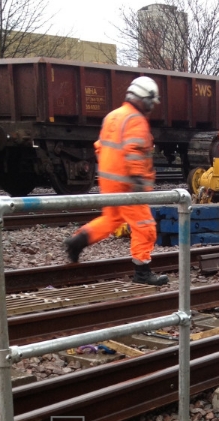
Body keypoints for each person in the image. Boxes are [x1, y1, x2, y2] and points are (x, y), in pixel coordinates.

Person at [64, 76, 167, 285]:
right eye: (151, 102)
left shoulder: (113, 116)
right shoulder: (135, 120)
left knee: (111, 220)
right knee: (145, 227)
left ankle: (77, 241)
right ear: (144, 99)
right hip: (128, 185)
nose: (151, 108)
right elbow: (135, 151)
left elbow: (100, 146)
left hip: (109, 182)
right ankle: (142, 273)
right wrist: (138, 181)